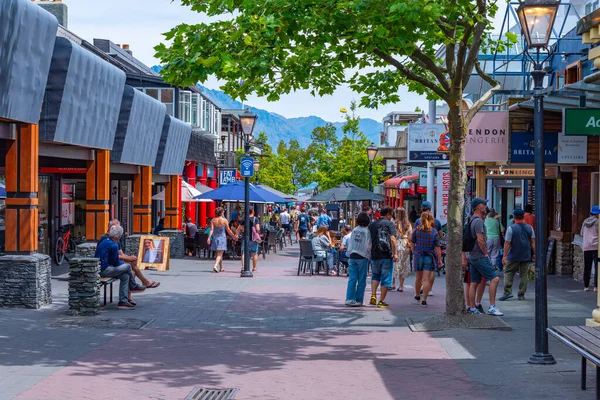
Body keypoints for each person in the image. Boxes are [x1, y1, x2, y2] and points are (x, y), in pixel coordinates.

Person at [466, 198, 503, 316]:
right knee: (494, 279)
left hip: (472, 255)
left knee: (474, 282)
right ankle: (492, 306)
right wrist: (486, 253)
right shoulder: (478, 222)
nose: (486, 206)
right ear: (478, 207)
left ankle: (472, 308)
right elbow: (480, 239)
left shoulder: (471, 220)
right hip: (479, 255)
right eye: (483, 204)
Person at [100, 220, 159, 289]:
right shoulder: (106, 239)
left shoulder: (115, 239)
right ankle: (140, 284)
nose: (118, 229)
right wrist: (128, 259)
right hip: (107, 266)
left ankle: (125, 298)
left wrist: (130, 258)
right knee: (129, 267)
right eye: (116, 227)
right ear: (110, 228)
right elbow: (113, 257)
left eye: (119, 227)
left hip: (111, 264)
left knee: (129, 269)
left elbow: (121, 254)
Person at [95, 225, 136, 309]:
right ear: (119, 236)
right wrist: (124, 263)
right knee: (128, 266)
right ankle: (134, 286)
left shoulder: (105, 240)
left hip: (100, 268)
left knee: (125, 276)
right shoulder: (114, 245)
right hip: (104, 270)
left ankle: (123, 301)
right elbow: (115, 263)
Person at [499, 208, 535, 301]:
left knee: (508, 272)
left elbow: (507, 242)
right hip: (526, 255)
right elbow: (533, 242)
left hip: (513, 255)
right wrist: (535, 254)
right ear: (523, 216)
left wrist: (504, 256)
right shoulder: (530, 228)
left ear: (514, 217)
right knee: (523, 274)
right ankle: (521, 293)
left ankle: (507, 292)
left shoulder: (511, 228)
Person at [368, 206, 398, 309]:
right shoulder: (389, 224)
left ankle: (373, 295)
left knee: (375, 275)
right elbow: (393, 239)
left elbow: (369, 240)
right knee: (386, 278)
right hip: (386, 254)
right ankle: (381, 301)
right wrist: (395, 253)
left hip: (374, 254)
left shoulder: (372, 224)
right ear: (388, 214)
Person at [411, 213, 441, 307]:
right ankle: (424, 299)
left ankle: (417, 295)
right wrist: (439, 259)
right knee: (426, 279)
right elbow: (437, 247)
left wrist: (413, 252)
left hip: (418, 255)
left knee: (418, 278)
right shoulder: (434, 232)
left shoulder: (417, 230)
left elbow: (412, 243)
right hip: (429, 256)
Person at [345, 212, 372, 307]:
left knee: (352, 279)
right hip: (362, 257)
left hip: (352, 256)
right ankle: (359, 300)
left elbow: (351, 243)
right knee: (361, 280)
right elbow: (368, 245)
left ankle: (349, 299)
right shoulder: (366, 232)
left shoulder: (354, 230)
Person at [208, 207, 238, 273]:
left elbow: (211, 230)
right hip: (222, 237)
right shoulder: (224, 220)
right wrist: (233, 236)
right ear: (221, 212)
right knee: (220, 253)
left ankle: (221, 267)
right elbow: (228, 230)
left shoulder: (213, 220)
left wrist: (209, 238)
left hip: (215, 237)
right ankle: (215, 266)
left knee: (218, 253)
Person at [392, 207, 412, 292]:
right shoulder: (408, 224)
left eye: (396, 213)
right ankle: (401, 286)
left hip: (396, 244)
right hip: (404, 245)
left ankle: (392, 283)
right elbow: (410, 236)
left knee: (394, 264)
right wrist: (409, 247)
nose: (395, 214)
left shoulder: (393, 223)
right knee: (403, 265)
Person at [581, 205, 600, 292]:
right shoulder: (598, 222)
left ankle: (586, 286)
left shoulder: (585, 222)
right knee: (597, 267)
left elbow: (581, 233)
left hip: (586, 247)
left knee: (587, 267)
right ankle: (596, 287)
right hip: (596, 246)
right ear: (597, 214)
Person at [238, 207, 261, 273]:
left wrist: (236, 235)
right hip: (253, 239)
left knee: (244, 253)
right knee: (254, 253)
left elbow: (239, 228)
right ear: (253, 211)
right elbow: (257, 228)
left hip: (245, 238)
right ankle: (254, 268)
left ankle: (243, 267)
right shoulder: (255, 219)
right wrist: (258, 231)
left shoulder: (244, 219)